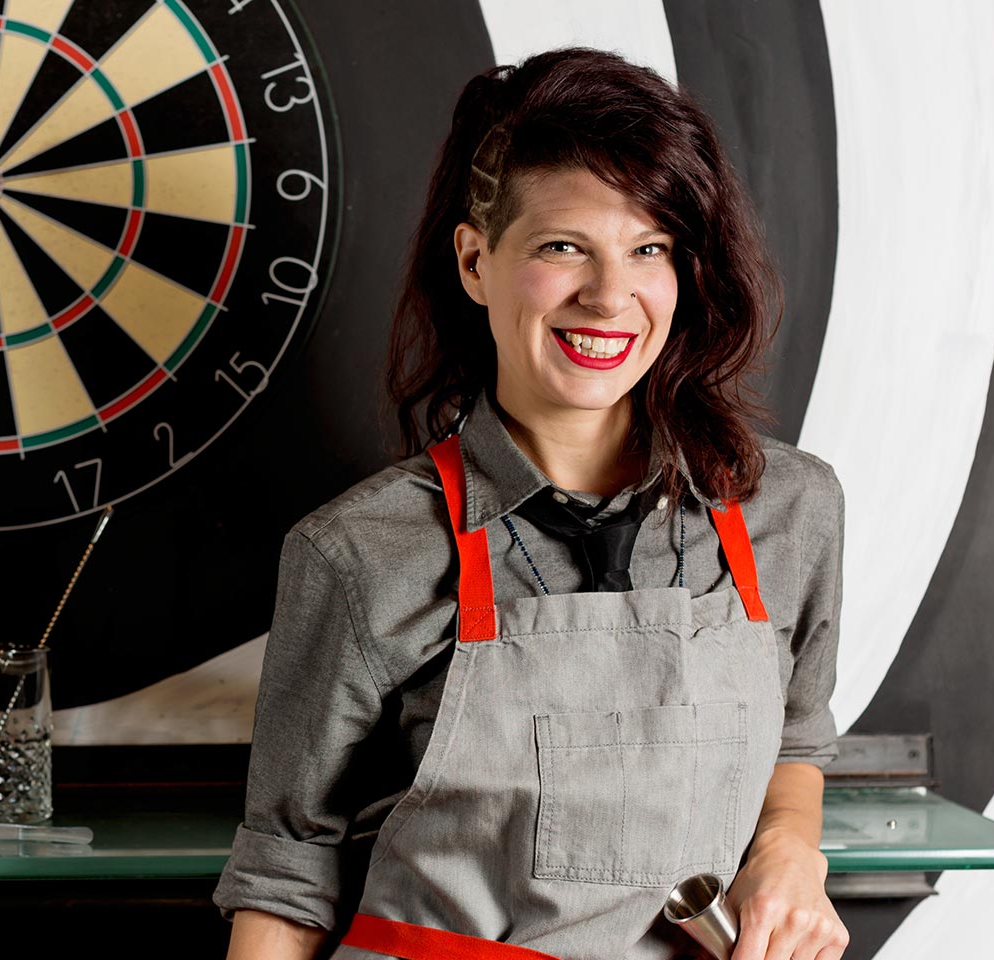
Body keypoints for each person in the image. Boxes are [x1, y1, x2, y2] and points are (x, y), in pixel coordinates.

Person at [216, 49, 850, 960]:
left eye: (649, 249)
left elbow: (796, 735)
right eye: (563, 247)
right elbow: (288, 868)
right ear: (476, 260)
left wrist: (790, 851)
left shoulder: (790, 510)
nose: (609, 296)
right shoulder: (359, 552)